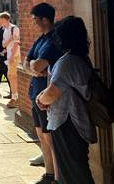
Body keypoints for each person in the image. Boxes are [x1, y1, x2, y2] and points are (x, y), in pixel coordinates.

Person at [36, 16, 97, 184]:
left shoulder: (68, 62)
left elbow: (52, 93)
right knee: (73, 171)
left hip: (68, 123)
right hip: (73, 122)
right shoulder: (80, 58)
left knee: (72, 175)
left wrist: (41, 99)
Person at [24, 3, 63, 184]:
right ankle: (48, 174)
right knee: (40, 134)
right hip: (35, 93)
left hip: (47, 97)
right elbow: (27, 61)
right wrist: (33, 67)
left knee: (49, 136)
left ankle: (56, 176)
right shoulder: (40, 39)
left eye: (35, 20)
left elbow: (38, 65)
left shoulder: (54, 39)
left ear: (45, 19)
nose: (33, 23)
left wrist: (34, 65)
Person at [0, 12, 21, 108]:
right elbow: (4, 45)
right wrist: (10, 39)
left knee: (12, 76)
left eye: (1, 20)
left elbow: (17, 43)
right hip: (9, 55)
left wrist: (12, 55)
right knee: (11, 76)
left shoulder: (14, 28)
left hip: (15, 56)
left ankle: (15, 98)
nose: (1, 22)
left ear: (6, 19)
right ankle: (15, 97)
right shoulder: (5, 30)